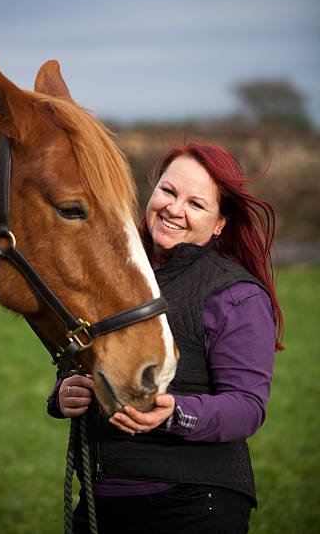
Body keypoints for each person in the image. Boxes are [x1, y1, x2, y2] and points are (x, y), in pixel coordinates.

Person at [47, 140, 283, 534]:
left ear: (220, 223)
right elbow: (87, 358)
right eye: (168, 191)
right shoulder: (113, 276)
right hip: (102, 502)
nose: (174, 209)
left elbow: (247, 406)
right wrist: (64, 393)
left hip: (193, 505)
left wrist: (174, 413)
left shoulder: (236, 296)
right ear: (152, 190)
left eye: (197, 204)